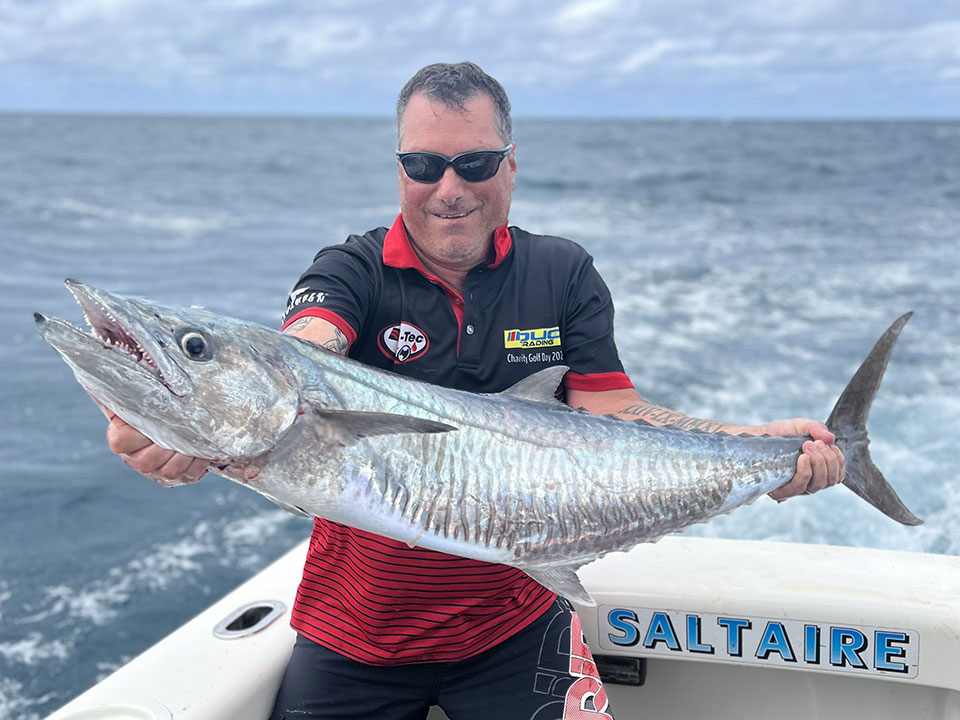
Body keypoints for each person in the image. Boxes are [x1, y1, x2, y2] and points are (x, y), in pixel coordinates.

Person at [104, 62, 844, 720]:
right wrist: (183, 419)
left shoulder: (562, 273)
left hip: (516, 623)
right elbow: (307, 351)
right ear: (399, 171)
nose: (448, 188)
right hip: (355, 633)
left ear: (511, 167)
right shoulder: (351, 270)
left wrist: (755, 452)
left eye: (474, 163)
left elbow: (615, 414)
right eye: (424, 164)